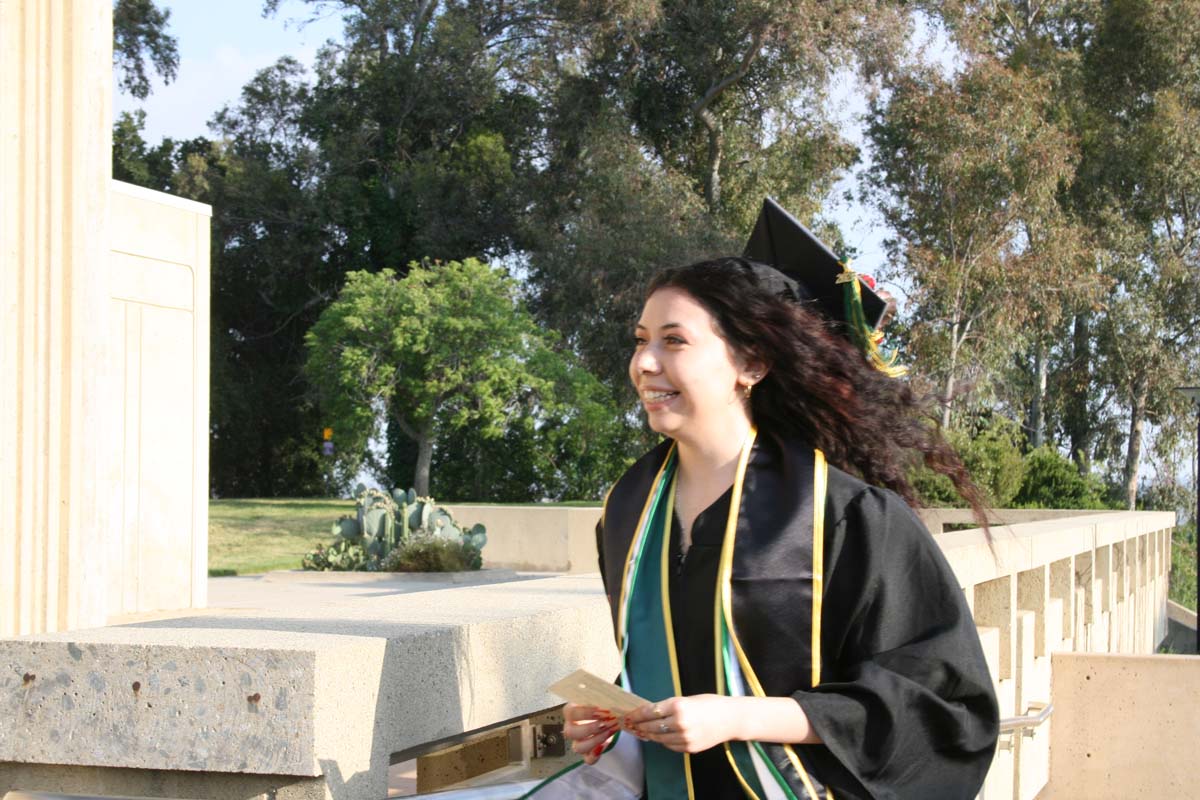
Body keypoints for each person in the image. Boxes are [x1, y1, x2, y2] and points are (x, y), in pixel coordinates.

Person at [527, 200, 999, 800]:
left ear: (750, 364)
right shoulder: (628, 508)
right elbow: (682, 654)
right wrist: (617, 718)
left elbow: (940, 707)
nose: (644, 363)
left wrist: (740, 717)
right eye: (641, 340)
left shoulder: (844, 516)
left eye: (674, 341)